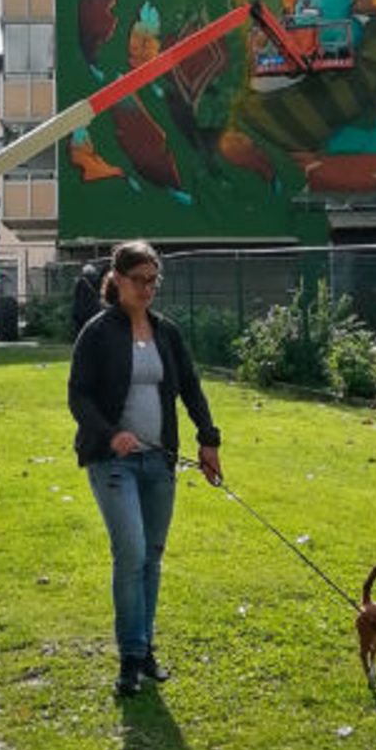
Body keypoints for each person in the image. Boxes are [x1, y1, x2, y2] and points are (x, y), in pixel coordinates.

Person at [68, 239, 222, 697]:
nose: (148, 289)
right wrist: (111, 432)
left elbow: (190, 387)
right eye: (140, 281)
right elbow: (78, 395)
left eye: (154, 281)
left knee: (151, 557)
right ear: (116, 280)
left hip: (159, 460)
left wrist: (208, 438)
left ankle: (146, 648)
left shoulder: (165, 332)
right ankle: (130, 659)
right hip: (113, 461)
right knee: (131, 553)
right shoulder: (97, 332)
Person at [72, 256, 105, 336]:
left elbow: (78, 298)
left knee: (82, 331)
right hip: (94, 309)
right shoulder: (97, 282)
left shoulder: (81, 282)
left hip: (82, 311)